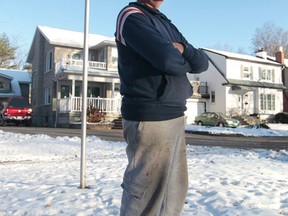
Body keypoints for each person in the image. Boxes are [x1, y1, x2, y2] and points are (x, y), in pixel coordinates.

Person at [115, 0, 209, 215]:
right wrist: (182, 57)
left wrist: (183, 48)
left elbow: (202, 63)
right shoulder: (131, 16)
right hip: (150, 117)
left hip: (175, 114)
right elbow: (169, 61)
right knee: (145, 198)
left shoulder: (165, 23)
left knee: (174, 193)